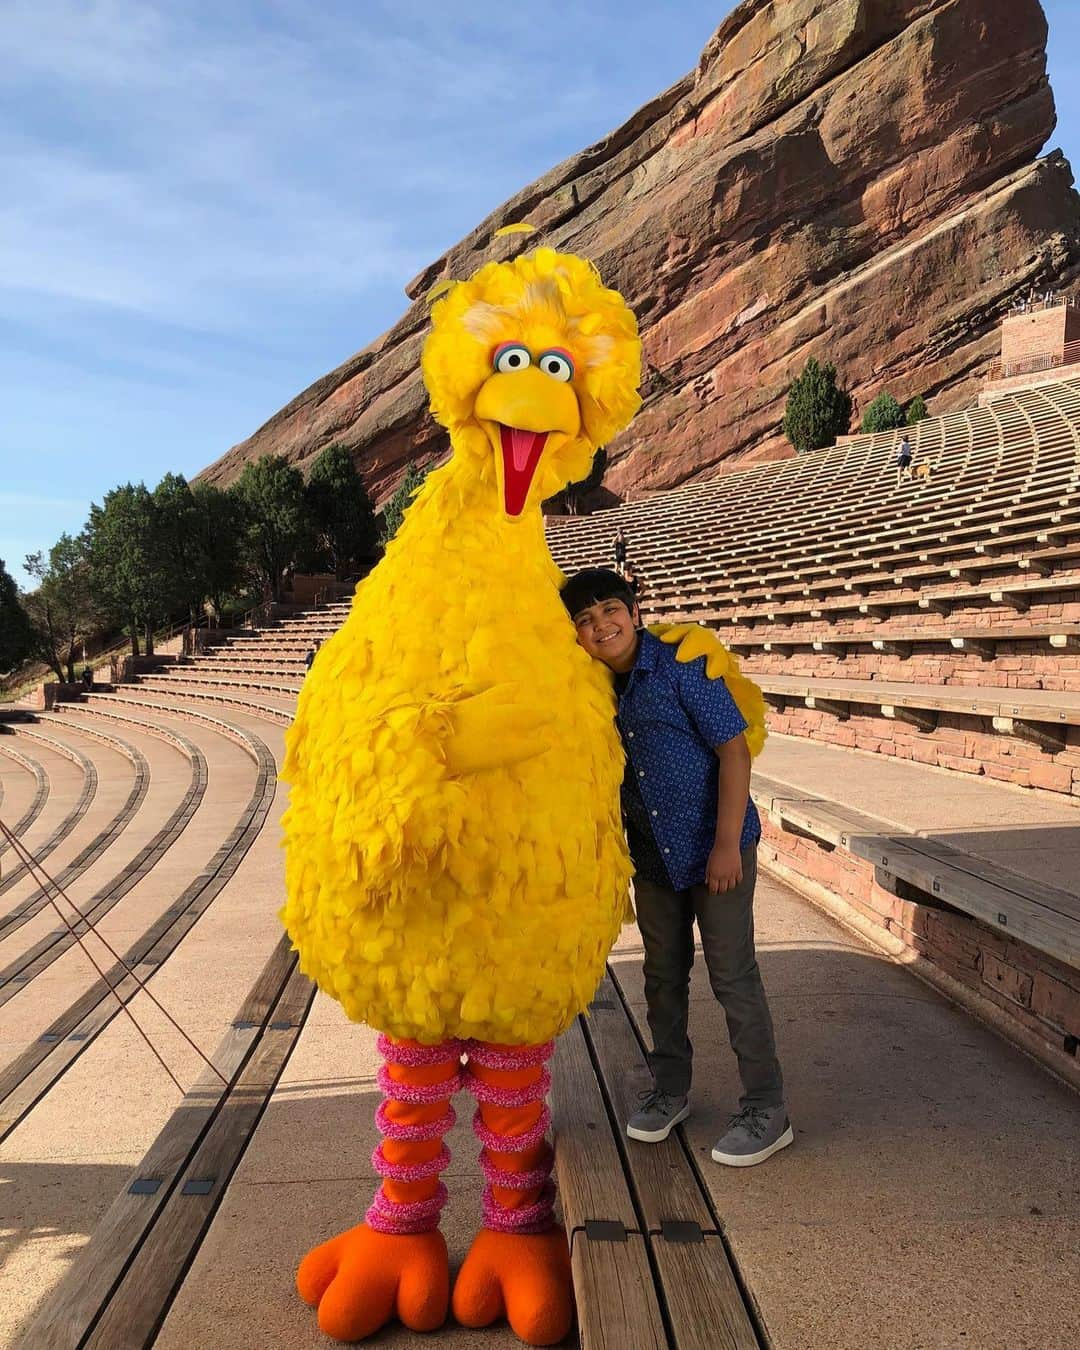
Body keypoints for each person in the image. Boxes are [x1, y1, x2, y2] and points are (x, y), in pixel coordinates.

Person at [561, 568, 791, 1167]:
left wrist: (723, 844)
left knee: (731, 973)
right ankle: (670, 1090)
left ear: (634, 612)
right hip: (653, 855)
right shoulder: (588, 689)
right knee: (662, 976)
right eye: (584, 620)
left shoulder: (682, 664)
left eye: (609, 610)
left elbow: (733, 751)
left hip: (716, 847)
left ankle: (767, 1106)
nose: (600, 625)